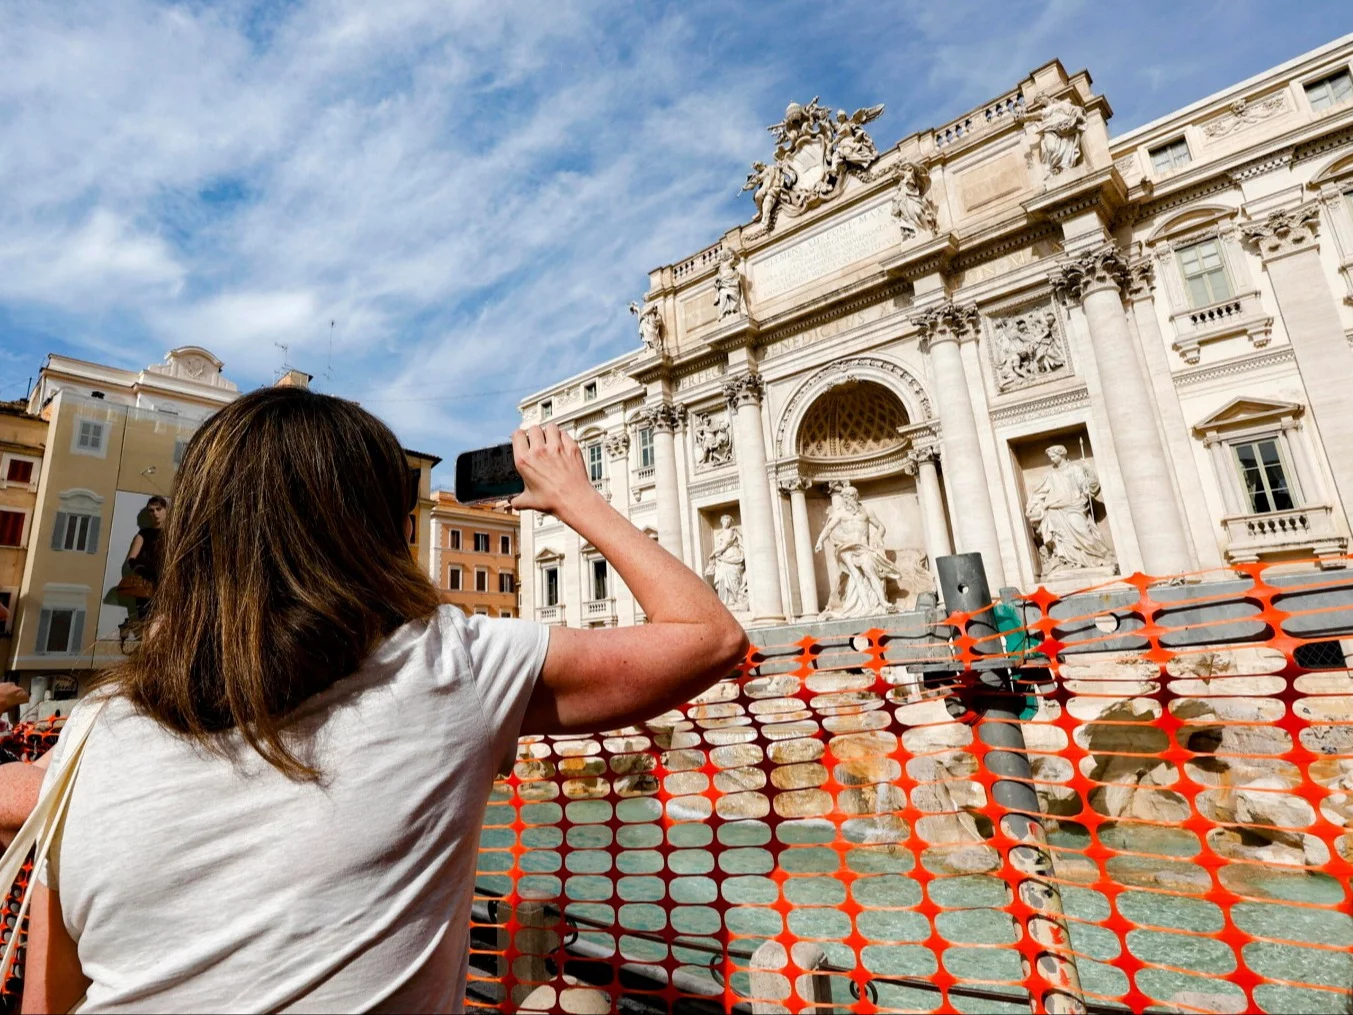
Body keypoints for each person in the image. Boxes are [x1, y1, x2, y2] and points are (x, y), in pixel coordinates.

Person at [22, 387, 747, 1013]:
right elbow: (708, 635)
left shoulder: (91, 729)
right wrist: (574, 497)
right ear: (375, 527)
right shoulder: (447, 666)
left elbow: (48, 997)